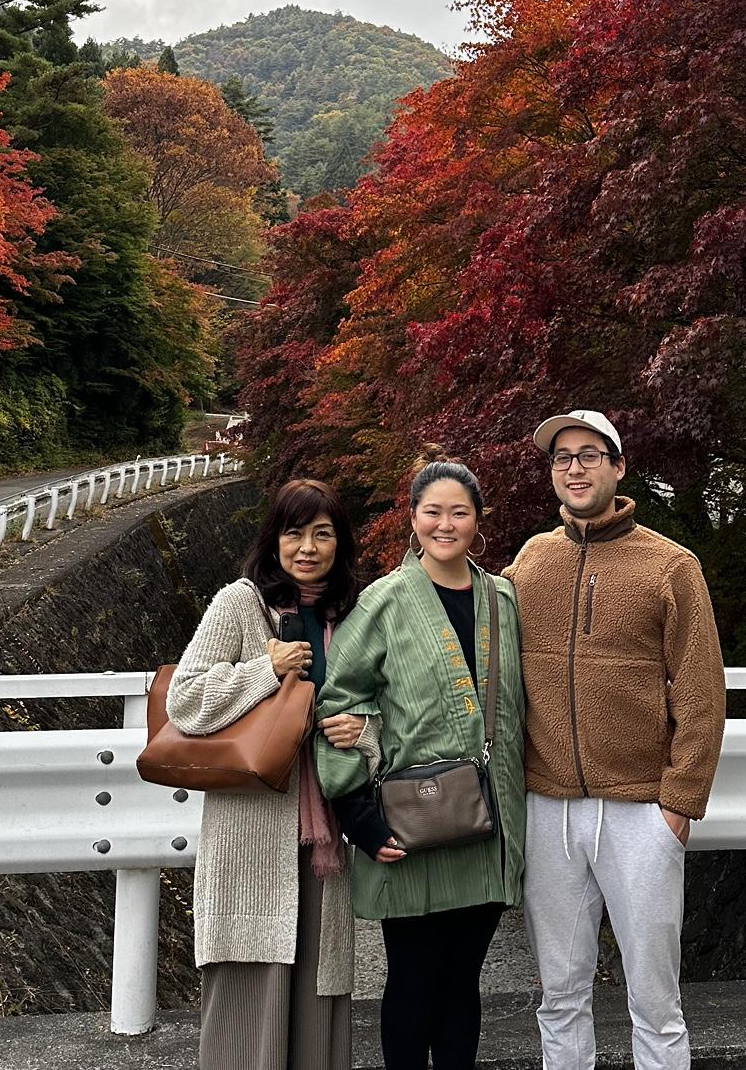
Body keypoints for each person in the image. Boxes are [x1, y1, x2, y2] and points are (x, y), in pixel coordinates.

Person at [505, 409, 726, 1070]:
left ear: (618, 466)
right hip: (547, 807)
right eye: (562, 457)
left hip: (640, 813)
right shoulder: (531, 561)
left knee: (656, 1003)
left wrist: (679, 803)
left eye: (589, 454)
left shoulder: (671, 565)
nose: (574, 467)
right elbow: (482, 656)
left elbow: (700, 689)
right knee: (560, 995)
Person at [316, 449, 526, 1070]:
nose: (445, 524)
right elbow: (338, 702)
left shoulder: (503, 599)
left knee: (463, 980)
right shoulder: (382, 601)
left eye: (458, 512)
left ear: (478, 520)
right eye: (431, 511)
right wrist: (359, 814)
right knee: (412, 979)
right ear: (411, 519)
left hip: (486, 822)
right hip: (408, 826)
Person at [167, 477, 376, 1070]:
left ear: (341, 544)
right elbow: (185, 700)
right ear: (274, 539)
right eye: (293, 533)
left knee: (318, 993)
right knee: (248, 998)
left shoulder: (353, 618)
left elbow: (379, 708)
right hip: (250, 839)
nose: (306, 547)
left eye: (322, 534)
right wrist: (264, 666)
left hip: (323, 839)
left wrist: (368, 736)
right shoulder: (239, 604)